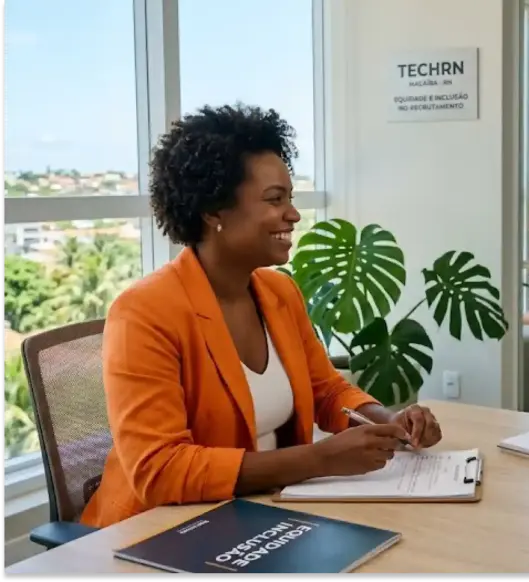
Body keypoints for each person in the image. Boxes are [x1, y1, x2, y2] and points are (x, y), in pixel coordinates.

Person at [80, 104, 443, 529]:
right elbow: (160, 471)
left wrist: (385, 419)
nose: (292, 214)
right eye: (274, 200)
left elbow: (325, 390)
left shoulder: (278, 292)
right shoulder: (144, 312)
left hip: (262, 515)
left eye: (290, 199)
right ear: (213, 211)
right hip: (160, 530)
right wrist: (318, 459)